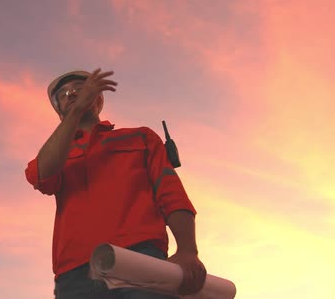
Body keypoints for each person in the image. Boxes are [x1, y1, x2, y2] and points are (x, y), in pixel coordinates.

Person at [24, 68, 207, 299]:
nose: (72, 95)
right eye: (64, 95)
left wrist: (188, 249)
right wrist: (77, 109)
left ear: (98, 99)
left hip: (141, 260)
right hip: (74, 275)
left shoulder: (141, 137)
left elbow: (170, 192)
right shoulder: (57, 155)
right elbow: (41, 174)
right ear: (60, 113)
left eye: (79, 90)